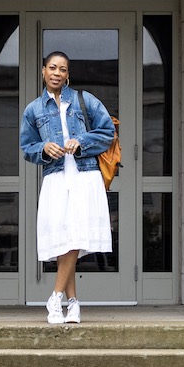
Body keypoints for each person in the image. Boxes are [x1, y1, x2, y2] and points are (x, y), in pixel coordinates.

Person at [18, 49, 116, 325]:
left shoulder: (85, 100)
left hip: (85, 176)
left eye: (62, 69)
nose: (56, 73)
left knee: (74, 235)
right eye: (52, 67)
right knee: (66, 237)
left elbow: (107, 132)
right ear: (43, 71)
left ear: (68, 75)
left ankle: (55, 296)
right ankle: (73, 304)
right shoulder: (34, 109)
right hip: (56, 177)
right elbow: (27, 147)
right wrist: (44, 148)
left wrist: (81, 141)